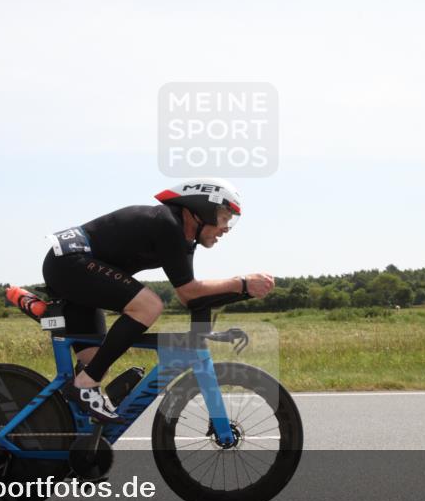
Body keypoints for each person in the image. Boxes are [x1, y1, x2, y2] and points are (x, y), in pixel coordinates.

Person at [41, 178, 274, 422]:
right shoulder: (167, 224)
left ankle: (68, 429)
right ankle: (84, 387)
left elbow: (191, 299)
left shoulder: (182, 238)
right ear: (204, 210)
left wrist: (245, 292)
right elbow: (189, 290)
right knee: (149, 306)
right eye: (224, 218)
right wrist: (242, 283)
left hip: (74, 271)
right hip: (68, 264)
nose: (226, 229)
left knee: (96, 361)